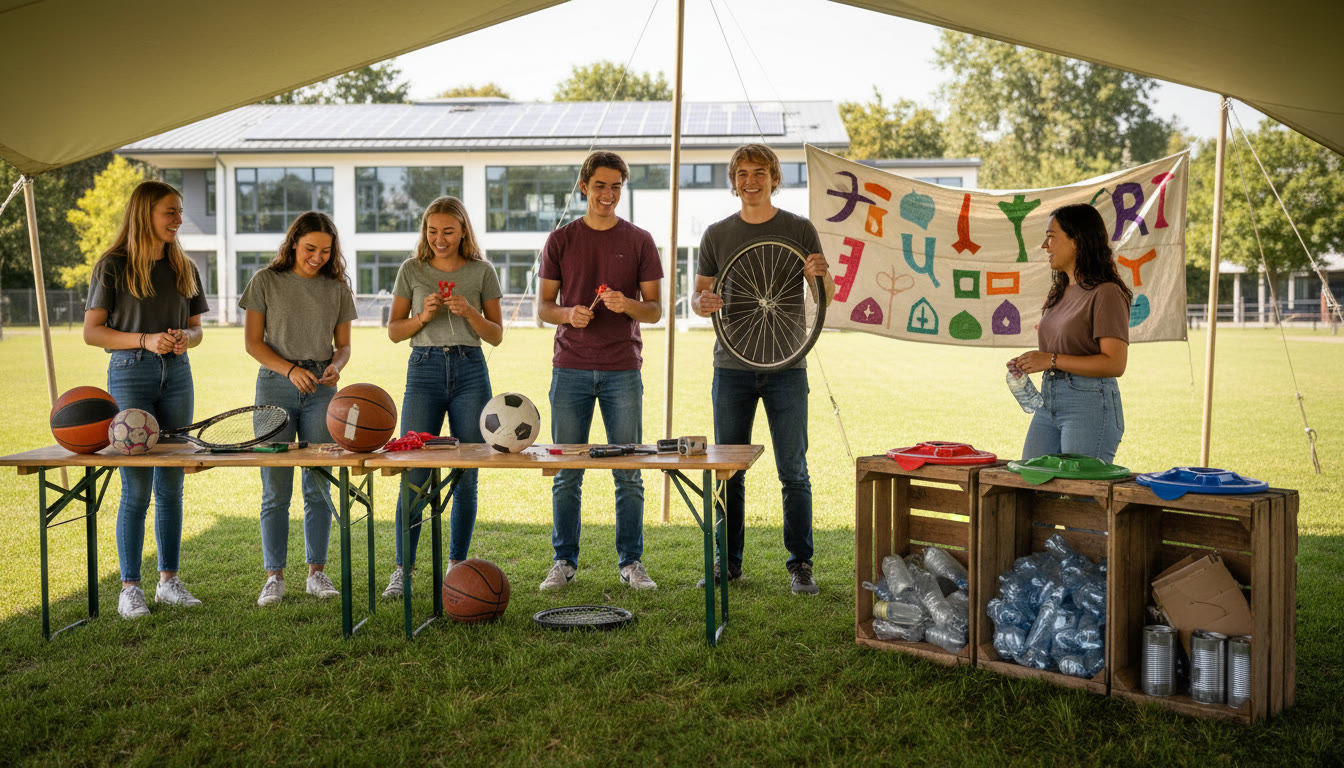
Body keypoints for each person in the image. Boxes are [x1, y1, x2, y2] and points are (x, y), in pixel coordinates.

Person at [691, 144, 834, 595]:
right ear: (733, 180)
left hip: (787, 365)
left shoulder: (798, 228)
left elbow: (826, 293)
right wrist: (704, 302)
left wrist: (820, 273)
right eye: (742, 173)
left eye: (760, 172)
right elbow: (699, 298)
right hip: (731, 365)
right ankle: (727, 563)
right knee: (728, 468)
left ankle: (801, 565)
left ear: (775, 178)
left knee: (793, 469)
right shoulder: (716, 234)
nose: (750, 180)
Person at [536, 151, 663, 592]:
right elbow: (544, 309)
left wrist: (626, 304)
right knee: (567, 472)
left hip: (622, 369)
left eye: (616, 187)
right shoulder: (560, 241)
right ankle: (564, 562)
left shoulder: (641, 240)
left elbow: (655, 310)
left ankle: (631, 563)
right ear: (583, 187)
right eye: (600, 186)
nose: (608, 195)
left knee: (628, 470)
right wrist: (569, 315)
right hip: (569, 368)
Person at [83, 180, 208, 619]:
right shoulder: (112, 266)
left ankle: (169, 582)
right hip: (130, 374)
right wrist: (145, 339)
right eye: (169, 212)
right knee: (135, 487)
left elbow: (196, 328)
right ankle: (130, 587)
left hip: (177, 375)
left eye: (178, 212)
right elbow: (92, 332)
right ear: (144, 215)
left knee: (171, 484)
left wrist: (181, 340)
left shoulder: (184, 266)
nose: (177, 220)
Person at [382, 196, 503, 598]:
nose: (439, 239)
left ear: (463, 230)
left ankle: (458, 565)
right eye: (432, 231)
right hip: (424, 369)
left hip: (470, 369)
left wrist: (469, 312)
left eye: (448, 231)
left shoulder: (482, 272)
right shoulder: (411, 270)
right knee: (414, 471)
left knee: (467, 471)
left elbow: (496, 335)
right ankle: (404, 569)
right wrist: (422, 317)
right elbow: (395, 332)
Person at [239, 212, 356, 607]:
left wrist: (337, 366)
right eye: (310, 249)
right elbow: (254, 343)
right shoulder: (265, 282)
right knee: (275, 489)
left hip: (322, 390)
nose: (317, 257)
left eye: (325, 250)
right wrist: (289, 370)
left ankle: (316, 573)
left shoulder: (337, 287)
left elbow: (343, 346)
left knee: (319, 484)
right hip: (275, 384)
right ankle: (274, 576)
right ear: (293, 244)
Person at [1008, 203, 1131, 463]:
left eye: (1051, 237)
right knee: (1033, 483)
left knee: (1080, 496)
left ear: (1076, 241)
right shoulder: (1060, 293)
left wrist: (1050, 360)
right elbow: (1059, 351)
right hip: (1049, 401)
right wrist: (1030, 362)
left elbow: (1115, 363)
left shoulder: (1106, 292)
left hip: (1089, 404)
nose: (1045, 245)